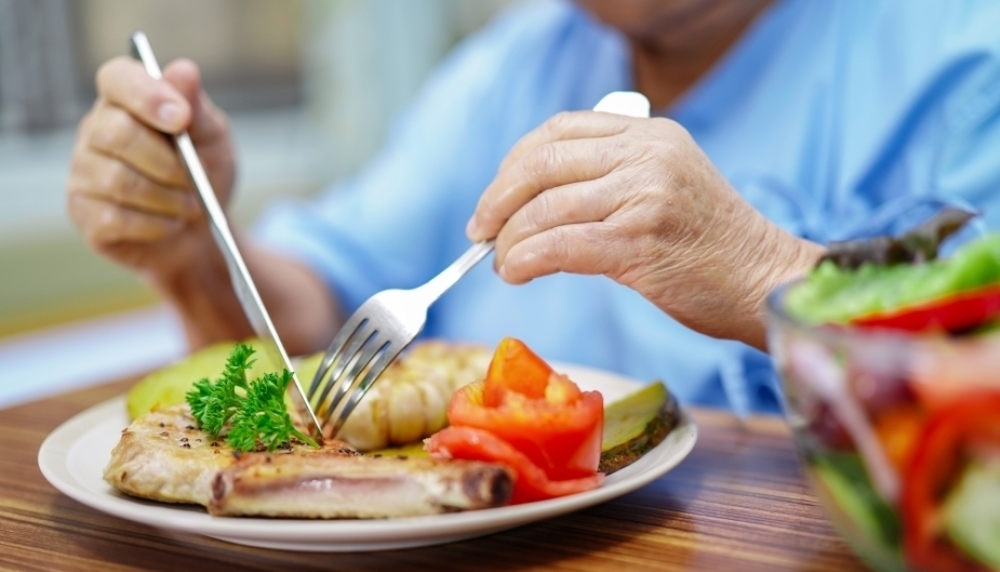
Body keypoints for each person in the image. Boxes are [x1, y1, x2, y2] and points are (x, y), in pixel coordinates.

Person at [66, 0, 1000, 416]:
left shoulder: (963, 56)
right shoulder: (511, 70)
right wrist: (195, 244)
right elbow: (314, 310)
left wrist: (766, 274)